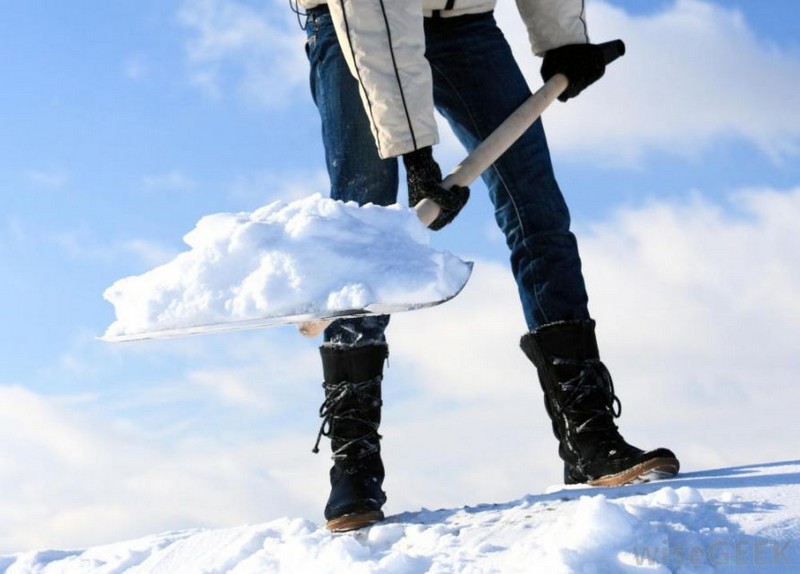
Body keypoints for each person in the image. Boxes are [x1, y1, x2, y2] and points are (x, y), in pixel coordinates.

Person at [298, 0, 679, 532]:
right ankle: (354, 460)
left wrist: (561, 35)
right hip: (355, 28)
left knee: (537, 208)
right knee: (366, 227)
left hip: (465, 24)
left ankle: (587, 433)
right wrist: (415, 152)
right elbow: (375, 12)